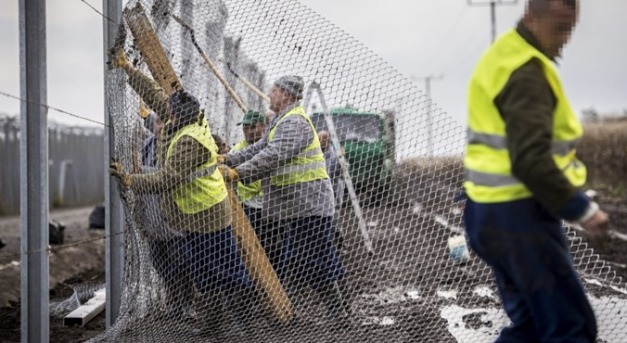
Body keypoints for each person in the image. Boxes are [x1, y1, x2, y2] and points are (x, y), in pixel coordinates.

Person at [463, 1, 609, 341]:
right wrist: (581, 209)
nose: (565, 38)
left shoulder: (500, 57)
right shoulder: (526, 70)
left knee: (530, 328)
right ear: (530, 16)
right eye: (559, 28)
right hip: (519, 217)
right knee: (572, 328)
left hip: (485, 213)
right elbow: (530, 160)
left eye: (571, 28)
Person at [109, 50, 253, 336]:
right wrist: (130, 70)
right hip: (193, 214)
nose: (164, 114)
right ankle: (212, 327)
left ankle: (241, 325)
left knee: (229, 271)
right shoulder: (187, 118)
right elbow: (156, 95)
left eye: (168, 112)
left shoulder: (190, 141)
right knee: (204, 273)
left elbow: (166, 179)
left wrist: (129, 179)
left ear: (175, 115)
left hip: (208, 214)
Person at [222, 75, 349, 317]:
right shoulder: (282, 121)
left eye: (274, 90)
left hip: (309, 204)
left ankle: (292, 312)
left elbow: (272, 155)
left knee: (305, 260)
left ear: (286, 95)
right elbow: (259, 148)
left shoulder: (294, 123)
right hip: (300, 205)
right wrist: (228, 160)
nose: (269, 94)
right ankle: (329, 312)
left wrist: (236, 173)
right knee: (310, 260)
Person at [231, 110, 274, 260]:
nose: (248, 131)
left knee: (273, 246)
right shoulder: (236, 151)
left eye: (252, 127)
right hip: (247, 207)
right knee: (250, 248)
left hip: (270, 205)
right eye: (245, 128)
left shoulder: (272, 147)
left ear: (263, 126)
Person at [318, 130, 346, 251]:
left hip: (333, 190)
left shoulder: (333, 155)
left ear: (328, 140)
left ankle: (338, 242)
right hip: (319, 191)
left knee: (334, 218)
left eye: (323, 139)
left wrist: (341, 159)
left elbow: (341, 171)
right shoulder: (315, 154)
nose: (321, 141)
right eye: (319, 138)